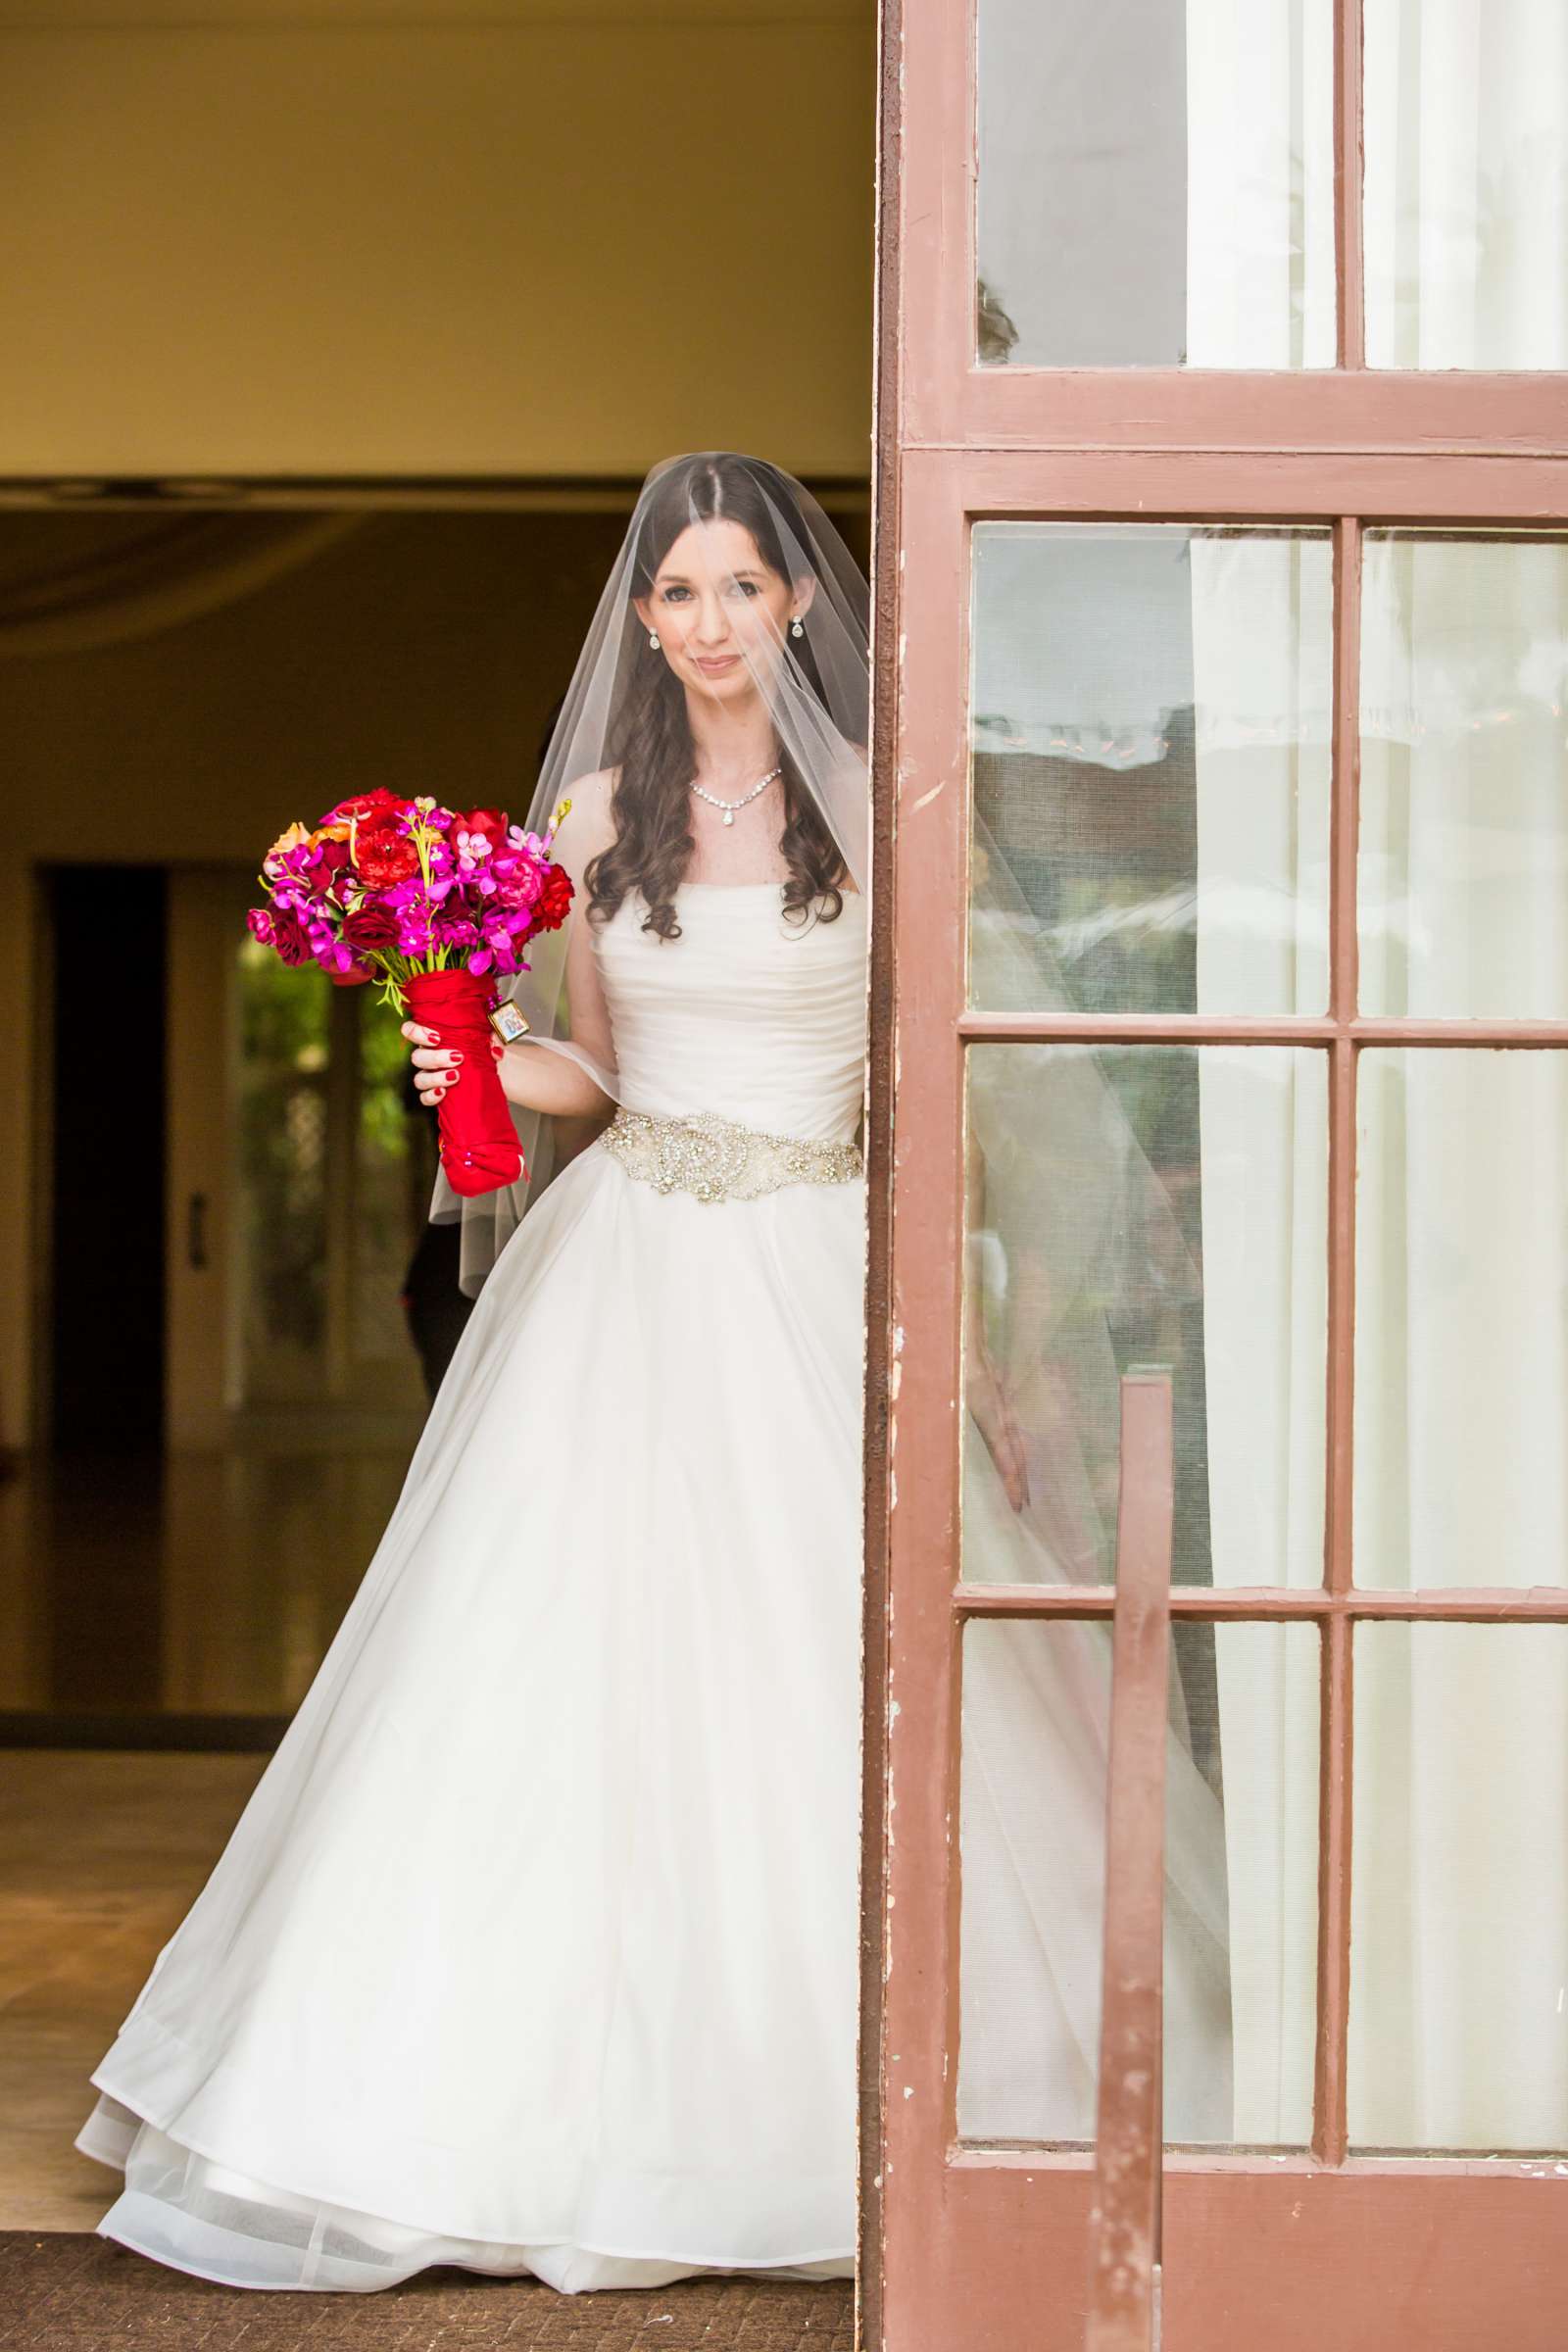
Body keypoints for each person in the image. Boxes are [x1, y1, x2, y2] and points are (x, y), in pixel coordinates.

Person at [74, 452, 1233, 2297]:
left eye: (740, 590)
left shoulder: (882, 806)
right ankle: (513, 2108)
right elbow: (593, 1078)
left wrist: (995, 1330)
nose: (709, 624)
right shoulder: (601, 813)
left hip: (826, 1260)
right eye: (677, 594)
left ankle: (897, 2096)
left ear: (795, 608)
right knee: (562, 1659)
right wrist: (457, 1035)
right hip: (629, 1260)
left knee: (837, 1658)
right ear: (645, 618)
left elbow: (967, 1094)